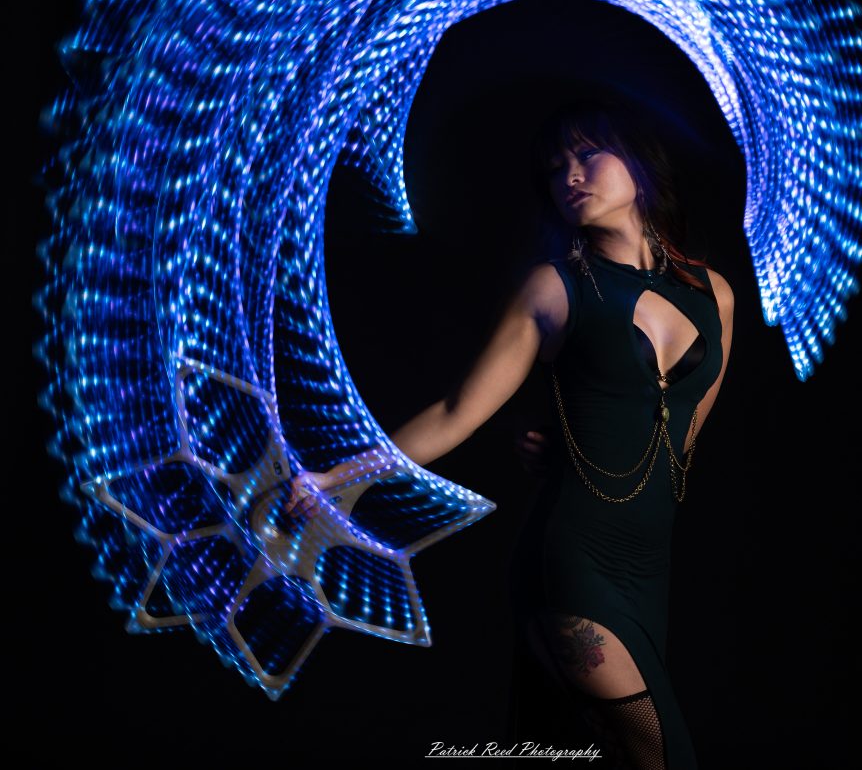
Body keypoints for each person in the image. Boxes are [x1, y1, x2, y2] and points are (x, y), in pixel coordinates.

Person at [283, 94, 734, 769]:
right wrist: (338, 476)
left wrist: (569, 436)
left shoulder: (715, 293)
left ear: (640, 164)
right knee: (665, 757)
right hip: (572, 562)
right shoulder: (553, 288)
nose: (570, 176)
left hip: (650, 567)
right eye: (555, 168)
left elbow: (680, 444)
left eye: (588, 154)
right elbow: (457, 409)